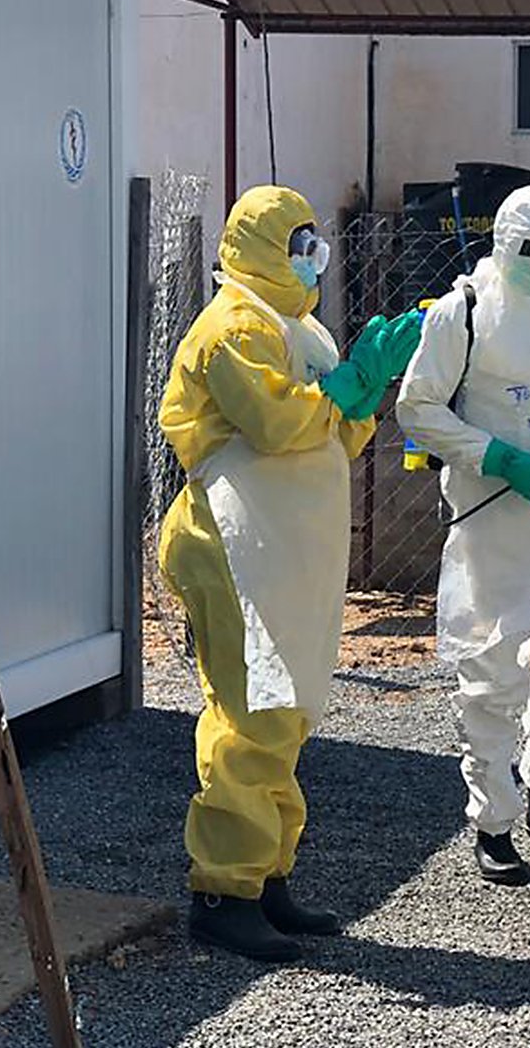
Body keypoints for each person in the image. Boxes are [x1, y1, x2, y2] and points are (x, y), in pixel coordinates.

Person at [158, 185, 422, 962]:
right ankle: (222, 890)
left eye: (317, 243)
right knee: (252, 713)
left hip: (283, 549)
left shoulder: (298, 327)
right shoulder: (233, 326)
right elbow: (276, 424)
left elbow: (331, 437)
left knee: (287, 713)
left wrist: (365, 393)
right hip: (231, 543)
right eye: (300, 243)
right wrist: (342, 391)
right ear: (265, 248)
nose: (313, 258)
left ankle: (265, 877)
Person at [396, 186, 530, 885]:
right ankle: (492, 821)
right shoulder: (465, 313)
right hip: (493, 520)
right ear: (505, 245)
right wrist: (495, 456)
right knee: (492, 668)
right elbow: (417, 408)